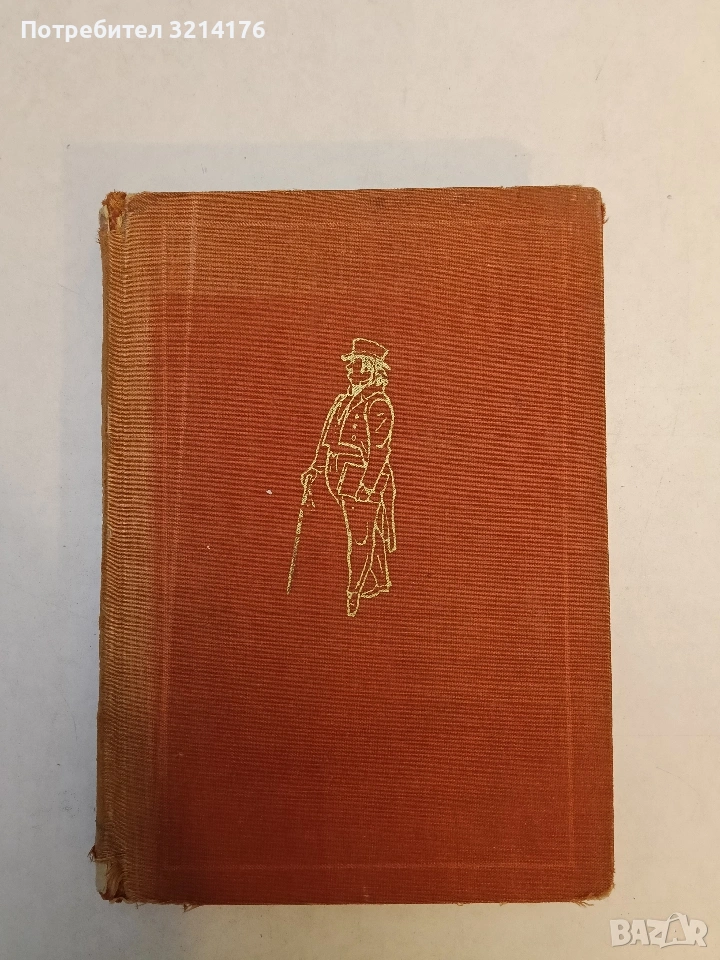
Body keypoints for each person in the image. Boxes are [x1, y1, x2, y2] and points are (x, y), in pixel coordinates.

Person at [301, 339, 396, 617]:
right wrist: (315, 468)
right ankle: (381, 581)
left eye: (355, 364)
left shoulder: (378, 403)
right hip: (338, 477)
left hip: (362, 479)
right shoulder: (342, 401)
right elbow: (326, 440)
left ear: (371, 368)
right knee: (366, 530)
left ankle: (352, 594)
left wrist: (368, 485)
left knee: (360, 538)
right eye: (350, 364)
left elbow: (380, 451)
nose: (349, 369)